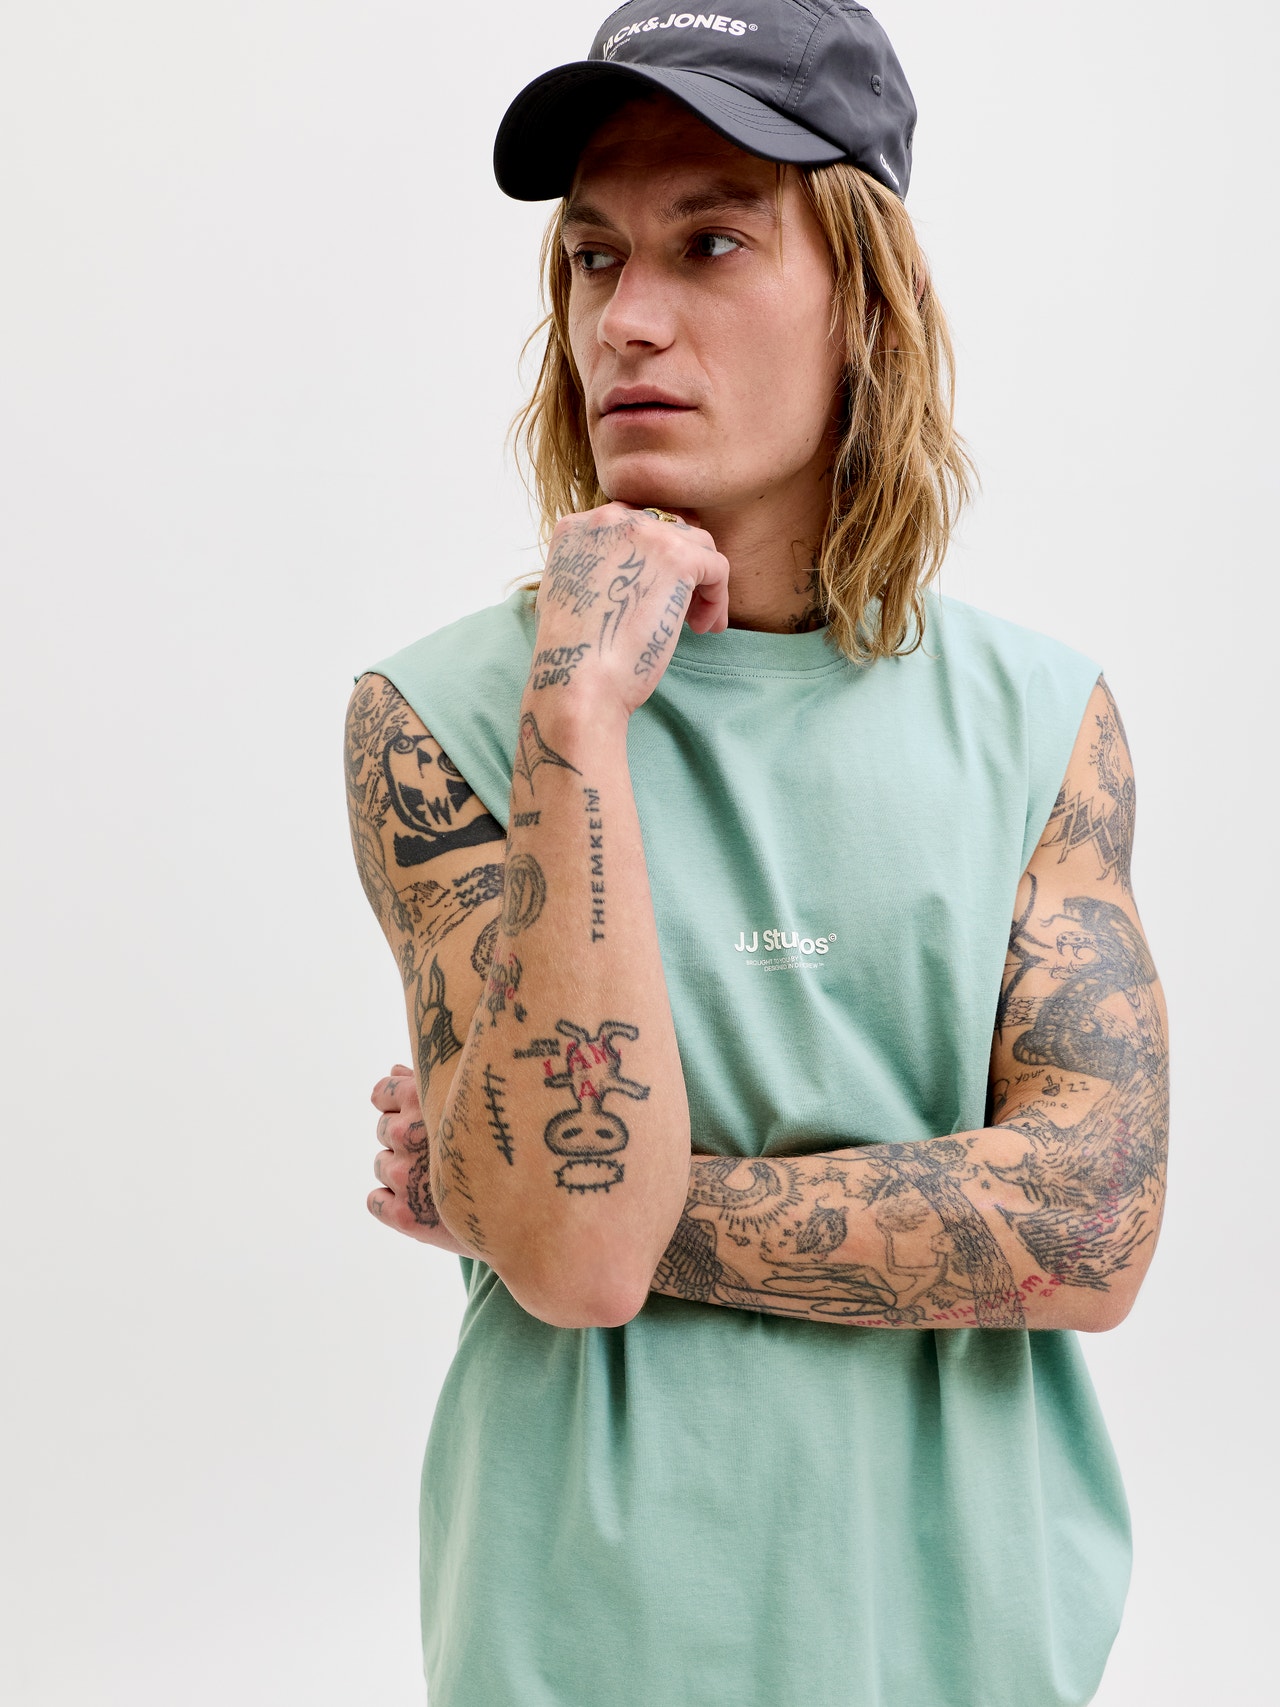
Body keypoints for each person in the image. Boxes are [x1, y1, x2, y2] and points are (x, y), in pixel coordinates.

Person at [343, 4, 1170, 1703]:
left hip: (962, 1647)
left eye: (710, 243)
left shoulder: (1041, 721)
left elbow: (1089, 1223)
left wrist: (549, 1187)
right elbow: (577, 1264)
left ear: (868, 297)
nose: (626, 319)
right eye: (593, 257)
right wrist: (579, 711)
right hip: (583, 1648)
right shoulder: (442, 717)